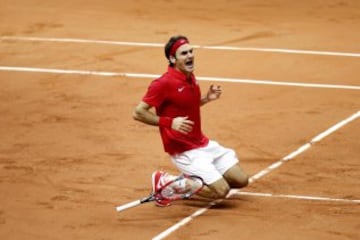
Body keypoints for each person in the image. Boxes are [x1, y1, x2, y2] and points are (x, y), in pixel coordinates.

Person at [133, 35, 248, 207]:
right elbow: (138, 113)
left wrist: (206, 99)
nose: (190, 56)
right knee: (221, 191)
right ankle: (168, 182)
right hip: (184, 151)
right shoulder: (163, 83)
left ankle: (196, 179)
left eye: (191, 51)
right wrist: (170, 123)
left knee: (241, 180)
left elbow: (186, 106)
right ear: (173, 59)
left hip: (202, 143)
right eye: (184, 53)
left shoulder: (190, 77)